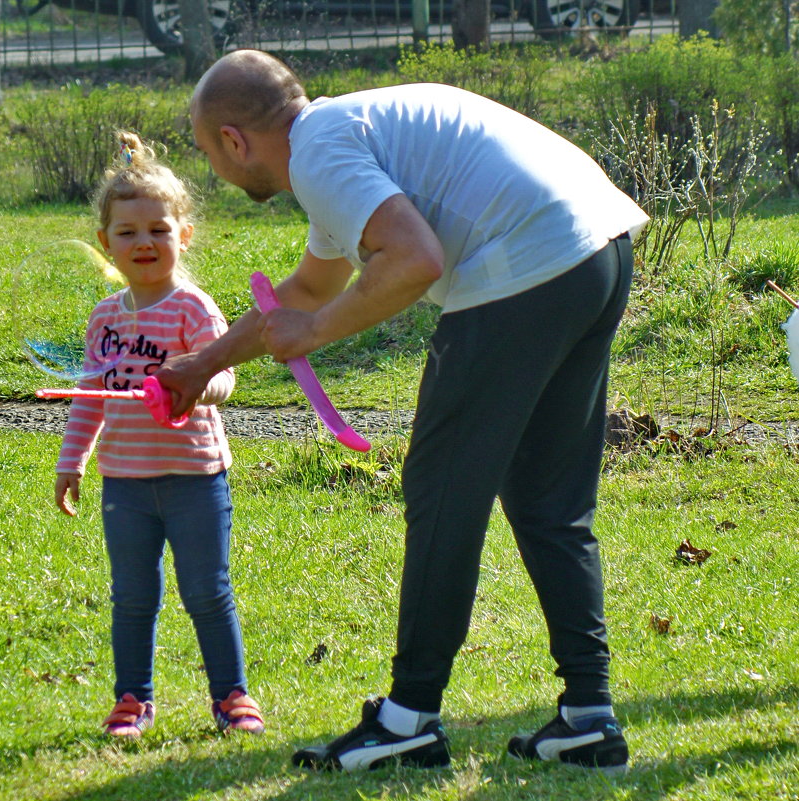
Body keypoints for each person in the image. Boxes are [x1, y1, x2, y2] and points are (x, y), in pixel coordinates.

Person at [155, 50, 649, 772]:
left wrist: (316, 334)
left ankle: (408, 717)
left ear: (234, 140)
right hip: (593, 248)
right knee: (547, 499)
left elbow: (411, 260)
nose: (216, 173)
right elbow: (301, 292)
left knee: (441, 490)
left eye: (209, 154)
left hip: (525, 261)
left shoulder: (321, 153)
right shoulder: (345, 137)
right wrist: (201, 365)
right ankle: (586, 714)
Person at [53, 131, 265, 739]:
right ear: (106, 243)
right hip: (124, 479)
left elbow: (223, 374)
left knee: (207, 591)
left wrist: (200, 385)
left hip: (194, 478)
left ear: (183, 236)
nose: (144, 243)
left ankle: (231, 697)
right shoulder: (106, 317)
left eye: (158, 230)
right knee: (132, 596)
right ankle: (132, 699)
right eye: (128, 232)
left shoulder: (193, 308)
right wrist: (74, 460)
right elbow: (90, 397)